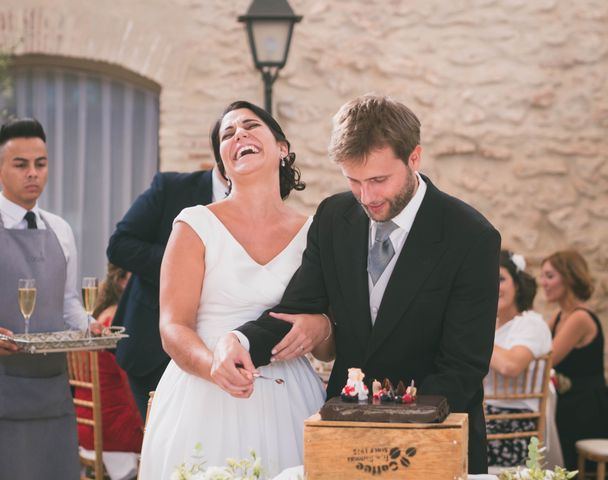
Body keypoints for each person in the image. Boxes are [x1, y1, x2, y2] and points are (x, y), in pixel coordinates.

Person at [212, 94, 501, 474]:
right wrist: (241, 341)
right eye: (354, 181)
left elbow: (462, 366)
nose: (367, 197)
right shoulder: (334, 216)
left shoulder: (471, 236)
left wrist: (386, 429)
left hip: (434, 440)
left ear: (414, 158)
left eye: (379, 180)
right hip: (343, 441)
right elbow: (300, 305)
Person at [139, 101, 328, 479]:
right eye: (227, 134)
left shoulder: (315, 234)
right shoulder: (195, 224)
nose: (238, 134)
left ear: (282, 148)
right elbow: (173, 327)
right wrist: (214, 368)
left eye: (250, 125)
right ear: (223, 166)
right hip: (203, 396)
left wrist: (320, 327)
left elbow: (330, 347)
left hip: (289, 400)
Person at [0, 118, 88, 479]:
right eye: (21, 165)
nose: (33, 173)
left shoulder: (62, 231)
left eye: (41, 163)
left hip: (53, 391)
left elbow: (68, 303)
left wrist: (89, 325)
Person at [107, 164, 228, 419]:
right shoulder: (171, 187)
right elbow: (120, 245)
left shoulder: (261, 205)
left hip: (224, 354)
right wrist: (183, 263)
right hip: (153, 349)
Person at [540, 250, 608, 470]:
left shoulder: (579, 317)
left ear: (568, 278)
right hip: (569, 403)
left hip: (585, 408)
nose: (544, 283)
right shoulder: (561, 315)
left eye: (550, 276)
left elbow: (546, 358)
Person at [484, 250, 552, 467]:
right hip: (484, 420)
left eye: (501, 279)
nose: (494, 286)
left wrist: (474, 337)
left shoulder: (531, 324)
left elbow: (510, 365)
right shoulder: (492, 328)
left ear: (518, 285)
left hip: (514, 430)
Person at [74, 263, 144, 456]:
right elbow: (130, 384)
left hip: (85, 424)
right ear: (122, 282)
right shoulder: (116, 324)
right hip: (112, 428)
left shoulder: (99, 317)